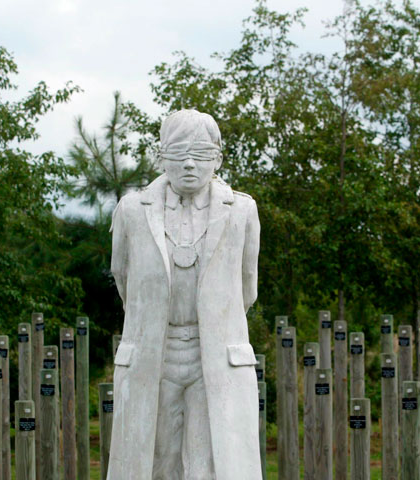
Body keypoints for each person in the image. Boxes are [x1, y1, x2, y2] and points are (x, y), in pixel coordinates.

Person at [108, 109, 262, 480]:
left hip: (216, 354)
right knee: (156, 460)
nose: (189, 164)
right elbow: (123, 276)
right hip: (153, 352)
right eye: (178, 154)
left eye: (202, 154)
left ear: (219, 159)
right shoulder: (131, 211)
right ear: (161, 157)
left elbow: (247, 286)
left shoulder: (242, 210)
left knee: (208, 461)